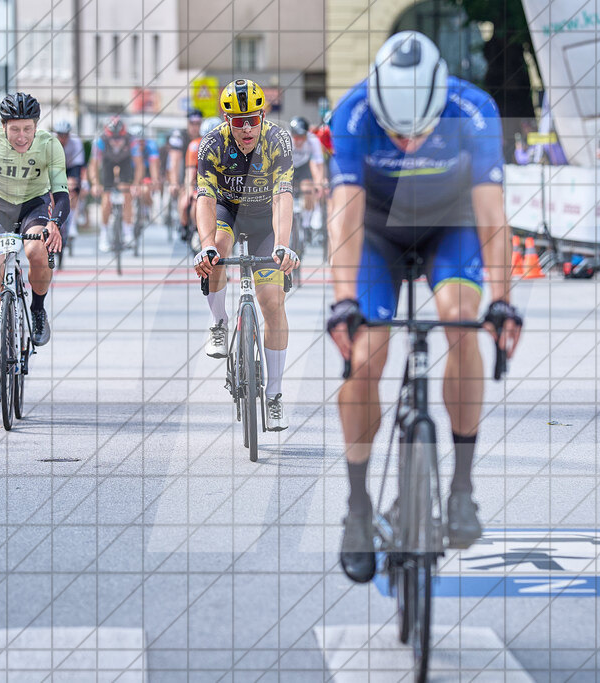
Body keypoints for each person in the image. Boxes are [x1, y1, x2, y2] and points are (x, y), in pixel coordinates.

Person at [326, 31, 523, 583]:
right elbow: (344, 215)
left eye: (420, 131)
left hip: (449, 226)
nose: (408, 144)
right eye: (396, 132)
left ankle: (461, 491)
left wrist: (502, 300)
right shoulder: (354, 112)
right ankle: (358, 508)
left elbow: (491, 214)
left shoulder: (473, 110)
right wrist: (344, 301)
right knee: (366, 356)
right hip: (377, 235)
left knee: (462, 317)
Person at [192, 79, 299, 431]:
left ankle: (275, 395)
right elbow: (205, 199)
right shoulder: (212, 144)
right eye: (238, 122)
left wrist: (283, 244)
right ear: (226, 120)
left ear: (263, 115)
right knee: (217, 251)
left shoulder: (278, 140)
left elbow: (283, 195)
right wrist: (206, 244)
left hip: (267, 222)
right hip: (229, 216)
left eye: (253, 118)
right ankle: (219, 322)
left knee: (272, 302)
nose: (247, 128)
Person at [0, 92, 68, 399]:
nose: (21, 136)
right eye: (15, 129)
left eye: (27, 129)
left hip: (34, 205)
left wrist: (54, 223)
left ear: (36, 126)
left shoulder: (49, 144)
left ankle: (38, 308)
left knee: (36, 252)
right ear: (3, 126)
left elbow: (62, 193)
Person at [89, 116, 142, 251]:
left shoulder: (132, 140)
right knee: (106, 198)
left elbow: (139, 165)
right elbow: (93, 165)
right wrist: (95, 183)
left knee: (127, 193)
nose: (116, 142)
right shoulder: (100, 141)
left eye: (120, 139)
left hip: (125, 162)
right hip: (108, 163)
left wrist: (136, 184)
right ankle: (104, 233)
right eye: (113, 139)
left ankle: (128, 231)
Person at [168, 108, 203, 239]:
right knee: (184, 199)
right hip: (184, 169)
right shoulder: (179, 136)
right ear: (187, 124)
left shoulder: (205, 136)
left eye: (198, 124)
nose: (195, 127)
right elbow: (174, 161)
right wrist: (174, 182)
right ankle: (183, 224)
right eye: (192, 124)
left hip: (200, 171)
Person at [289, 115, 326, 231]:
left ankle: (306, 221)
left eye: (302, 137)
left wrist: (319, 184)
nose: (299, 140)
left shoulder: (313, 140)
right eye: (296, 137)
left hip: (304, 165)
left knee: (308, 189)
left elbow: (319, 164)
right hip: (289, 166)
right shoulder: (285, 138)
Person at [54, 119, 86, 248]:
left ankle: (72, 224)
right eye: (60, 135)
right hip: (56, 167)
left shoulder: (76, 142)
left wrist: (83, 182)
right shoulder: (50, 141)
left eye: (65, 135)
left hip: (71, 167)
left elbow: (81, 166)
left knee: (72, 187)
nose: (63, 138)